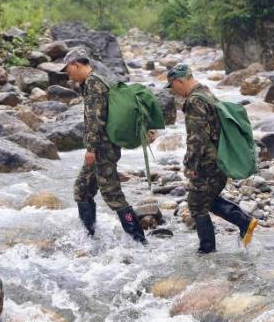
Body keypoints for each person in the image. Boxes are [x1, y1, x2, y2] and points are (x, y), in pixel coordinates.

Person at [166, 64, 257, 254]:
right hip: (219, 158)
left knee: (196, 204)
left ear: (179, 81)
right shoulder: (206, 92)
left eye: (172, 86)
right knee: (209, 199)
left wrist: (190, 164)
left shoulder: (194, 101)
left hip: (207, 162)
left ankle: (207, 250)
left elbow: (197, 138)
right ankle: (244, 223)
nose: (173, 91)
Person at [62, 48, 146, 244]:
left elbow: (96, 118)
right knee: (82, 189)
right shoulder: (95, 81)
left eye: (68, 69)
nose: (68, 74)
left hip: (102, 149)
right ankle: (88, 236)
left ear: (77, 64)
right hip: (103, 146)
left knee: (112, 194)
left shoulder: (93, 83)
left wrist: (91, 149)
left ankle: (139, 240)